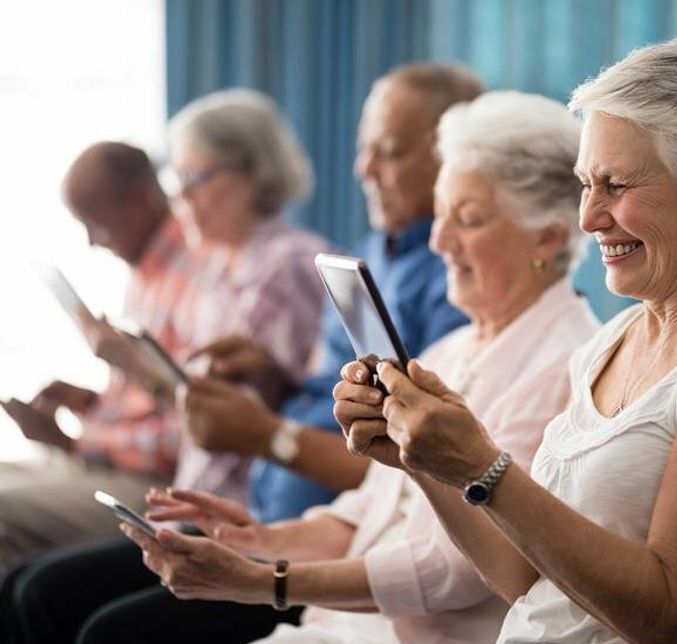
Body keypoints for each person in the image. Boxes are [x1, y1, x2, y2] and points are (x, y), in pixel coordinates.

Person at [336, 37, 677, 643]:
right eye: (586, 184)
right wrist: (428, 460)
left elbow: (670, 616)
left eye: (615, 185)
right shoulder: (610, 344)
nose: (588, 218)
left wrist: (483, 465)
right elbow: (521, 578)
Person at [10, 64, 484, 644]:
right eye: (365, 150)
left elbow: (409, 457)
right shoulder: (372, 253)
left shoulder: (443, 283)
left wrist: (263, 437)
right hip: (277, 510)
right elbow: (332, 401)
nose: (364, 169)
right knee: (42, 593)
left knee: (83, 615)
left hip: (307, 521)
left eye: (388, 151)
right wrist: (274, 383)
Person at [120, 90, 600, 644]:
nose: (439, 241)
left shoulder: (566, 366)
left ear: (549, 236)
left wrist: (265, 582)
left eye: (467, 220)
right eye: (441, 215)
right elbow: (365, 512)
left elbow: (459, 570)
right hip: (339, 627)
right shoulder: (451, 349)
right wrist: (254, 539)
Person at [3, 89, 331, 644]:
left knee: (57, 601)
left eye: (194, 178)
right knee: (34, 589)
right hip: (199, 492)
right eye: (178, 178)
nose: (180, 196)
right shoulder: (224, 263)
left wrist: (129, 387)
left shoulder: (285, 265)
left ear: (250, 173)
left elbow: (251, 418)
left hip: (236, 504)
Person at [0, 141, 200, 576]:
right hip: (110, 462)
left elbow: (192, 430)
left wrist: (74, 443)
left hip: (155, 484)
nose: (92, 242)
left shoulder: (197, 276)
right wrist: (88, 403)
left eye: (95, 223)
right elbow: (150, 401)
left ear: (139, 199)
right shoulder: (147, 274)